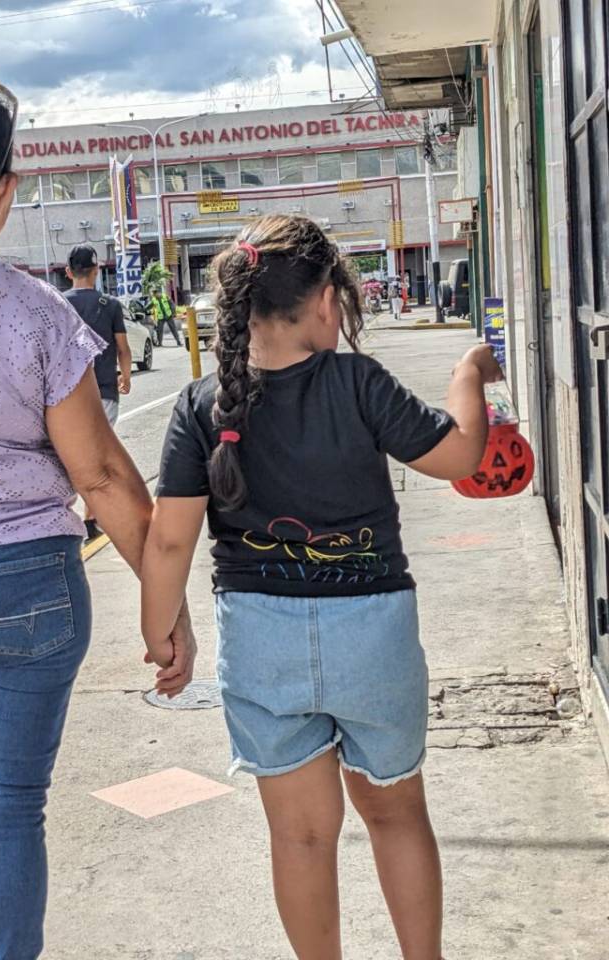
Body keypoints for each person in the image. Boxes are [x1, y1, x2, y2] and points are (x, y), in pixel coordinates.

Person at [0, 73, 194, 960]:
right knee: (5, 804)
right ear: (3, 193)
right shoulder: (37, 315)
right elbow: (99, 477)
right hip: (24, 584)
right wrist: (164, 606)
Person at [141, 214, 502, 960]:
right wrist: (469, 374)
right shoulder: (358, 383)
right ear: (329, 304)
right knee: (396, 816)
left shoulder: (202, 406)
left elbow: (170, 538)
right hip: (371, 631)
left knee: (301, 836)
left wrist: (163, 632)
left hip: (261, 638)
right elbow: (462, 456)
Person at [64, 243, 133, 540]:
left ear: (68, 272)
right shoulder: (111, 305)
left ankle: (82, 515)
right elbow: (123, 348)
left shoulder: (58, 303)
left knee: (71, 454)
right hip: (104, 390)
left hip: (66, 397)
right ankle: (92, 517)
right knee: (98, 454)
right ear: (97, 270)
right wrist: (126, 376)